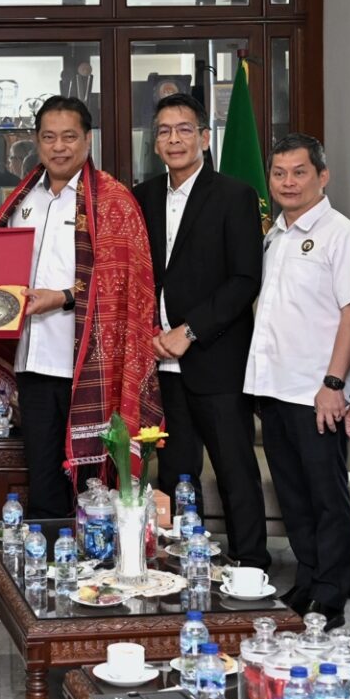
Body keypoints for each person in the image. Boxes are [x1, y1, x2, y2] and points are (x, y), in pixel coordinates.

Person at [0, 96, 162, 521]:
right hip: (32, 360)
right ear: (37, 141)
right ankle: (51, 552)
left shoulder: (113, 201)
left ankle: (96, 556)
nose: (59, 147)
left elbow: (123, 284)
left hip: (90, 366)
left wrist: (64, 297)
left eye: (69, 137)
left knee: (93, 481)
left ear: (88, 140)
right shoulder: (21, 199)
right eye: (49, 137)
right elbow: (5, 271)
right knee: (44, 477)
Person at [135, 93, 266, 568]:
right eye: (164, 131)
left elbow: (244, 279)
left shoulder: (235, 195)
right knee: (175, 472)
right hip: (160, 361)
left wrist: (188, 332)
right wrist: (148, 330)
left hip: (216, 359)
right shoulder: (142, 196)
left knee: (234, 469)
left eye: (184, 129)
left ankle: (250, 565)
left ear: (205, 138)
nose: (174, 139)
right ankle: (177, 564)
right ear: (155, 143)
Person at [243, 133, 350, 621]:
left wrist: (334, 385)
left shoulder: (341, 234)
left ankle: (332, 592)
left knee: (326, 496)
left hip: (316, 392)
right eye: (279, 173)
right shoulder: (273, 236)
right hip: (273, 387)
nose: (288, 182)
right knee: (293, 495)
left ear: (322, 176)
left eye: (299, 172)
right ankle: (308, 579)